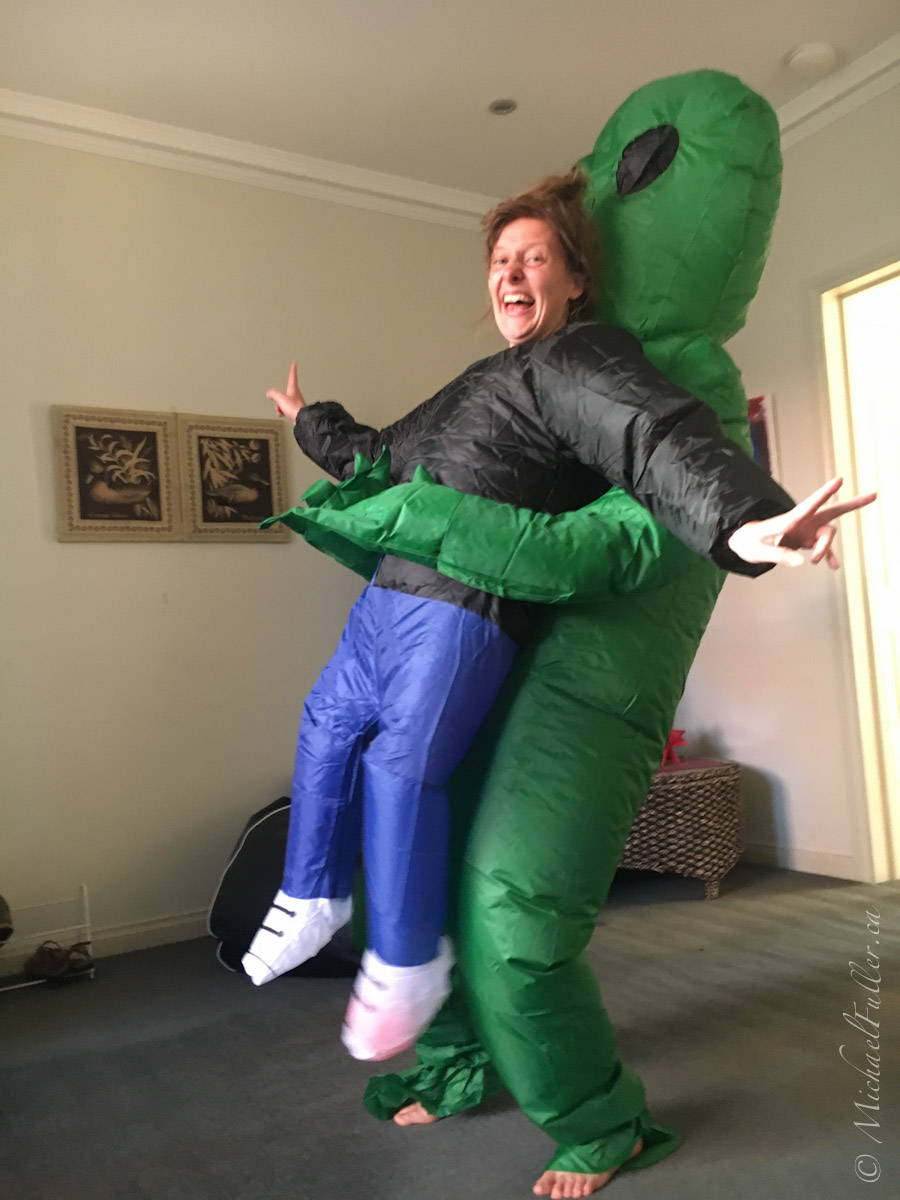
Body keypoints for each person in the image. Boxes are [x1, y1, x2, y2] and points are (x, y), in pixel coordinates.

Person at [244, 167, 874, 1082]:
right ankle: (308, 897)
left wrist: (745, 520)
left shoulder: (581, 359)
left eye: (534, 258)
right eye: (501, 259)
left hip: (464, 605)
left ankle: (406, 966)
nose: (511, 273)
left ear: (575, 280)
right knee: (324, 723)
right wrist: (312, 423)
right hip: (388, 590)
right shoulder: (475, 381)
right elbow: (381, 454)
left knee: (397, 766)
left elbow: (655, 437)